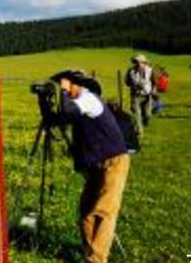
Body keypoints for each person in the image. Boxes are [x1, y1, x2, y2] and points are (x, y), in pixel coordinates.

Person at [51, 69, 130, 263]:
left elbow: (69, 110)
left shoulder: (88, 99)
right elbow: (62, 117)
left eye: (69, 86)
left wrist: (62, 92)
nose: (67, 91)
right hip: (96, 164)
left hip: (114, 161)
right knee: (86, 212)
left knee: (104, 211)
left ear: (79, 84)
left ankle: (96, 259)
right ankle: (90, 251)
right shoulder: (79, 102)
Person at [124, 53, 153, 138]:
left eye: (139, 62)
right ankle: (139, 132)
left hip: (147, 95)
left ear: (144, 63)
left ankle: (146, 121)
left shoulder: (150, 71)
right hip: (135, 95)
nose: (137, 64)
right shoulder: (131, 71)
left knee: (147, 114)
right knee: (137, 114)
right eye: (136, 62)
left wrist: (153, 91)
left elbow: (154, 82)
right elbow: (127, 82)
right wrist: (133, 85)